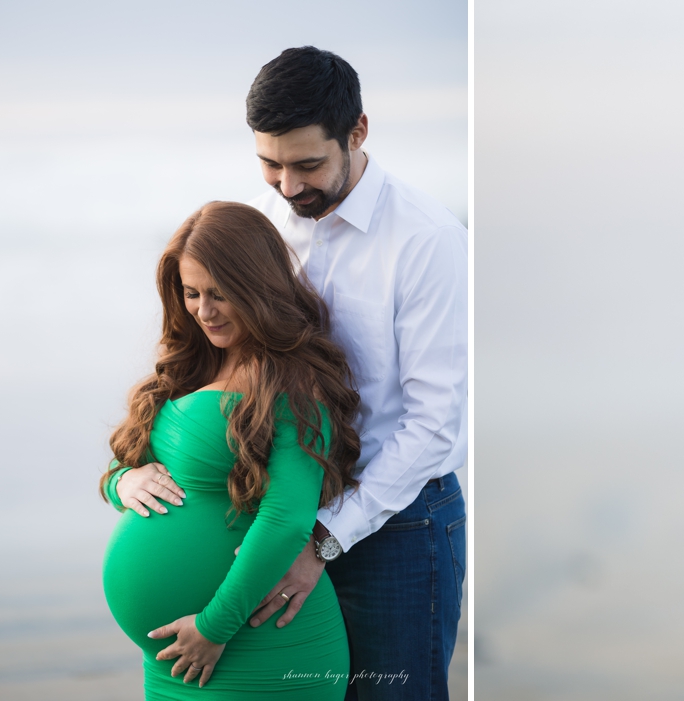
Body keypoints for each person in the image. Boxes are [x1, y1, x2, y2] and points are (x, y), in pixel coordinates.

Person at [106, 46, 470, 699]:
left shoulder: (427, 240)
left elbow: (433, 424)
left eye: (307, 165)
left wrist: (320, 538)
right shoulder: (262, 221)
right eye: (270, 164)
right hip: (282, 513)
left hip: (396, 519)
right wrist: (128, 474)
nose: (289, 187)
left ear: (357, 132)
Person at [101, 201, 362, 699]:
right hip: (173, 661)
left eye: (220, 294)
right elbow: (131, 459)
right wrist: (123, 481)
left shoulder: (293, 382)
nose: (204, 311)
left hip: (255, 645)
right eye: (192, 293)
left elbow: (287, 517)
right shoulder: (192, 365)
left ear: (257, 287)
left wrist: (214, 628)